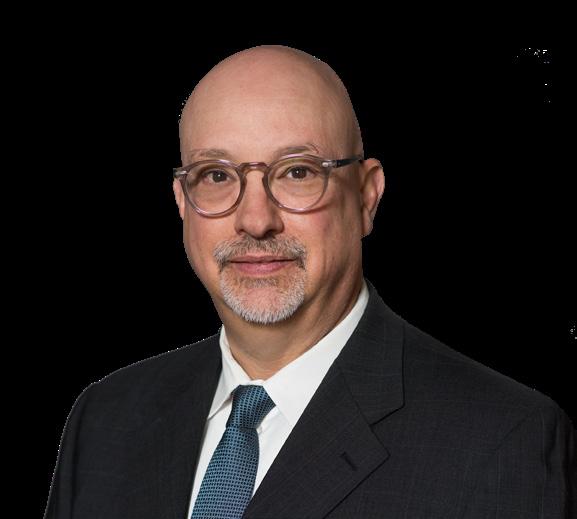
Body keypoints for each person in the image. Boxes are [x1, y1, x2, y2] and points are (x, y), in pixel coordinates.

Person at [45, 45, 575, 519]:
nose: (256, 220)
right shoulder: (105, 419)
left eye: (297, 172)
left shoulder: (503, 440)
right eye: (217, 176)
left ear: (366, 196)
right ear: (182, 202)